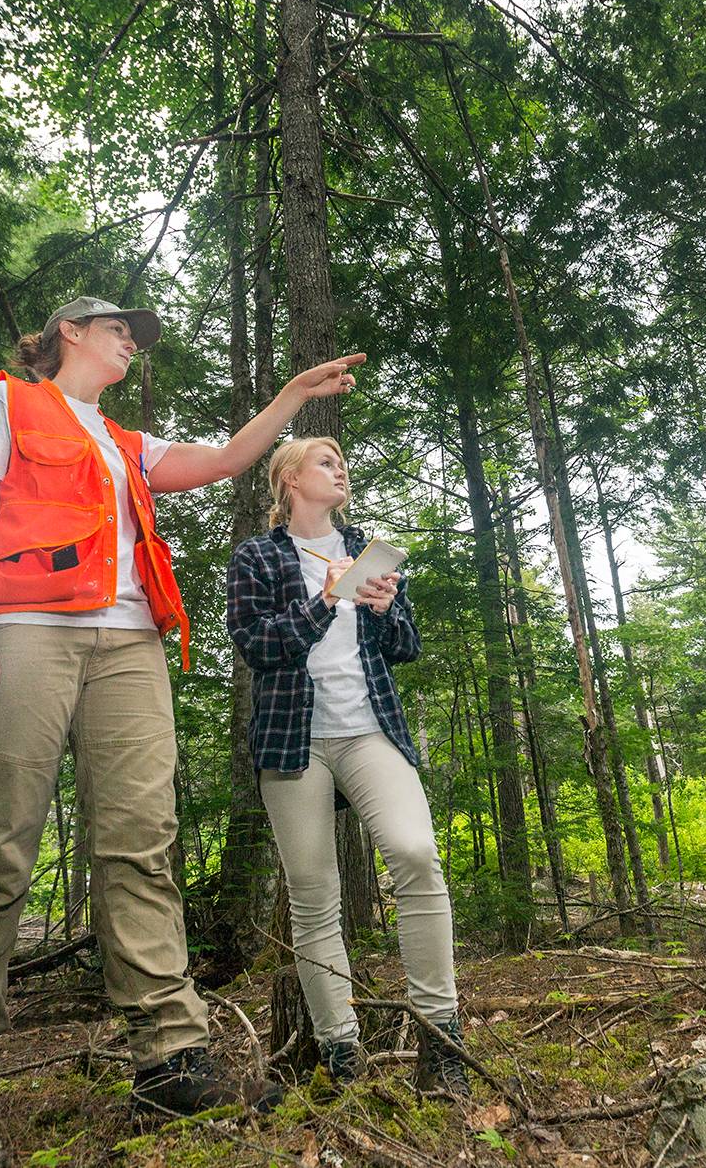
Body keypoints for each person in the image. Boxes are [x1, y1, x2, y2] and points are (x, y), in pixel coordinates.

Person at [0, 296, 363, 1118]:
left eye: (135, 335)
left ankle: (171, 1058)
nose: (131, 342)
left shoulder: (126, 442)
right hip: (26, 631)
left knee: (140, 843)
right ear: (70, 334)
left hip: (129, 644)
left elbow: (229, 459)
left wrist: (294, 396)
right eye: (118, 328)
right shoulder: (6, 401)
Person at [224, 437, 468, 1096]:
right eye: (326, 463)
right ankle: (341, 1050)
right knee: (311, 894)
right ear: (290, 478)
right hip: (292, 740)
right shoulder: (256, 556)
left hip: (369, 731)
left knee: (416, 854)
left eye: (342, 462)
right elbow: (256, 644)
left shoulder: (370, 551)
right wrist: (325, 599)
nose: (340, 471)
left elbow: (406, 646)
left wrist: (387, 611)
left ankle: (441, 1039)